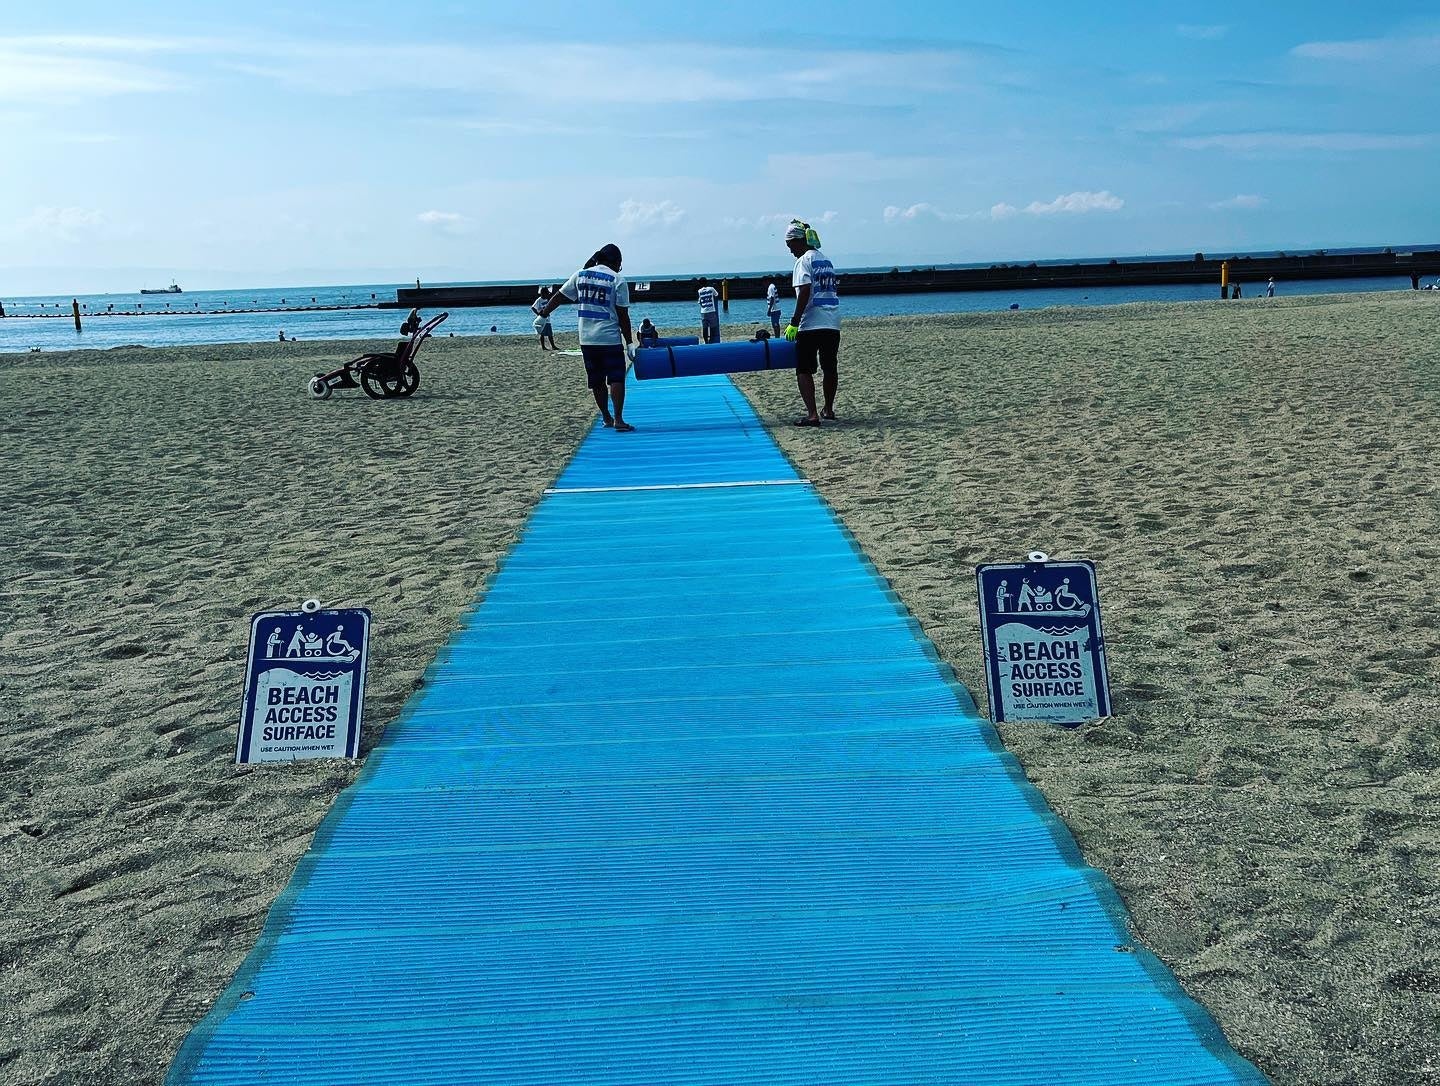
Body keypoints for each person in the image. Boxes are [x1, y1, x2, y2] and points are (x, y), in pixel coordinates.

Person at [539, 243, 636, 431]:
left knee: (596, 380)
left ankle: (606, 418)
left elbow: (559, 296)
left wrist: (543, 314)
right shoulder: (617, 280)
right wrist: (630, 342)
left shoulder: (580, 275)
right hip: (610, 338)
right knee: (616, 377)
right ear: (616, 262)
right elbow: (623, 315)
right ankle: (618, 419)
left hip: (587, 339)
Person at [782, 219, 841, 426]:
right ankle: (829, 409)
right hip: (832, 322)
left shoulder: (803, 261)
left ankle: (812, 414)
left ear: (799, 241)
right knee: (829, 367)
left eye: (790, 246)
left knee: (804, 369)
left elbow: (804, 291)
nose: (790, 251)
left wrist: (794, 322)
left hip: (811, 323)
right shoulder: (826, 261)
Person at [697, 278, 721, 343]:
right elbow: (716, 294)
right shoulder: (711, 289)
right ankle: (711, 340)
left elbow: (699, 302)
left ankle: (705, 341)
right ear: (707, 282)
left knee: (705, 328)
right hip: (711, 310)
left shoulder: (699, 291)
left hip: (703, 312)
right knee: (713, 327)